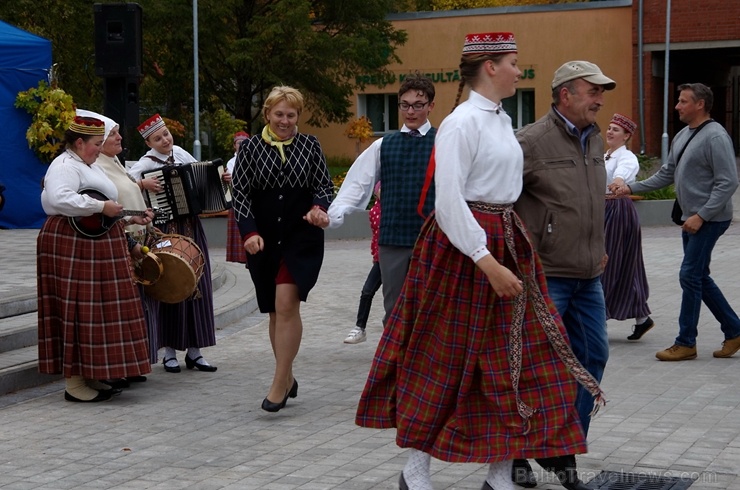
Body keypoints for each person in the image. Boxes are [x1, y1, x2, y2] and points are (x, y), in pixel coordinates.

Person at [355, 33, 604, 490]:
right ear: (490, 67)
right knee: (443, 358)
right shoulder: (462, 122)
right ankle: (415, 470)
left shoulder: (500, 119)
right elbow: (448, 202)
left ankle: (500, 474)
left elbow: (508, 191)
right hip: (465, 249)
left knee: (510, 361)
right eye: (513, 62)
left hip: (506, 239)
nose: (518, 70)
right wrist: (487, 261)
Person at [513, 60, 616, 489]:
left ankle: (562, 445)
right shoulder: (530, 141)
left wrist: (599, 247)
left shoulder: (593, 139)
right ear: (565, 95)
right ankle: (515, 454)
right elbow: (495, 200)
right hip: (546, 275)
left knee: (593, 358)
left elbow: (590, 201)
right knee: (533, 365)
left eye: (600, 92)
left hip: (589, 274)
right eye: (592, 91)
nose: (599, 100)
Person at [612, 83, 740, 362]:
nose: (677, 106)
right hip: (690, 218)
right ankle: (734, 330)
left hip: (709, 218)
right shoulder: (684, 135)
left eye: (683, 102)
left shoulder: (716, 137)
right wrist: (630, 187)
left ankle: (686, 342)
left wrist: (701, 215)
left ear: (700, 105)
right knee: (698, 276)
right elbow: (666, 174)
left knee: (689, 275)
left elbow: (728, 181)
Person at [231, 86, 333, 412]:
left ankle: (278, 383)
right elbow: (242, 195)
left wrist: (319, 207)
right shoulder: (250, 149)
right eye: (279, 114)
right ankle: (287, 375)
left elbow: (323, 185)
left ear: (298, 117)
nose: (285, 120)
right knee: (275, 310)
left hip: (301, 236)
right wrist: (248, 233)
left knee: (287, 303)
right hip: (262, 239)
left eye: (291, 115)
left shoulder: (310, 145)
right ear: (268, 115)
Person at [37, 116, 153, 402]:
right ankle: (74, 384)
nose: (100, 149)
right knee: (77, 307)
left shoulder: (87, 165)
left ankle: (91, 373)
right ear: (79, 142)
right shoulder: (63, 166)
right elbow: (61, 198)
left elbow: (103, 208)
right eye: (96, 144)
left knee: (97, 312)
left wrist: (128, 217)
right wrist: (102, 206)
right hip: (72, 242)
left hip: (94, 242)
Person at [328, 74, 437, 332]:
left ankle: (427, 369)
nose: (410, 111)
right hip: (393, 241)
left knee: (431, 310)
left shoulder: (444, 141)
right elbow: (357, 184)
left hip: (432, 239)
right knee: (395, 311)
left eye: (418, 105)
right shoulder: (383, 145)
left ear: (430, 106)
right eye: (404, 105)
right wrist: (334, 215)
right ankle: (395, 367)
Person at [128, 114, 218, 374]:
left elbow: (202, 175)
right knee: (168, 283)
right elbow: (123, 186)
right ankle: (168, 351)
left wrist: (217, 179)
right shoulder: (144, 164)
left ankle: (195, 351)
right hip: (164, 229)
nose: (165, 140)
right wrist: (142, 183)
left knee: (197, 283)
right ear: (148, 142)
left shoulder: (180, 153)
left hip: (191, 227)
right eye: (158, 138)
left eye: (166, 134)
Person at [76, 109, 158, 387]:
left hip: (127, 237)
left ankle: (131, 363)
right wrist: (129, 234)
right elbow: (98, 209)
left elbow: (122, 201)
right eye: (112, 134)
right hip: (113, 242)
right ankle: (116, 368)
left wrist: (139, 217)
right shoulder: (94, 166)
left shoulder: (113, 162)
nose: (119, 137)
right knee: (117, 310)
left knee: (131, 309)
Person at [601, 113, 653, 341]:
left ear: (627, 136)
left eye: (616, 130)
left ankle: (596, 317)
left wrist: (619, 181)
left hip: (618, 211)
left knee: (609, 261)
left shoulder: (627, 157)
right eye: (609, 128)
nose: (610, 132)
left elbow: (623, 175)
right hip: (602, 209)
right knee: (621, 264)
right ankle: (642, 318)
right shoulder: (604, 156)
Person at [344, 181, 382, 344]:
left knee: (396, 296)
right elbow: (375, 236)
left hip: (397, 256)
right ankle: (360, 327)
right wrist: (375, 255)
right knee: (367, 291)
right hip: (381, 260)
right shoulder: (374, 211)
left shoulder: (398, 208)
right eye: (380, 189)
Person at [224, 131, 249, 264]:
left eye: (245, 143)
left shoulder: (253, 158)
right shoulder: (231, 162)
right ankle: (239, 257)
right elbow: (233, 182)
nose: (242, 145)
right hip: (238, 199)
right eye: (239, 143)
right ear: (234, 145)